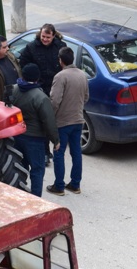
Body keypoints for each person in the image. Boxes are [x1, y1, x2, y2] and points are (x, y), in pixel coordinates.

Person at [11, 63, 58, 197]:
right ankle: (35, 198)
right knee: (37, 170)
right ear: (37, 78)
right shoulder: (41, 97)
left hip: (17, 136)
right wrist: (55, 140)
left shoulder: (13, 90)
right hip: (35, 139)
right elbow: (49, 121)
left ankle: (19, 195)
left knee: (20, 167)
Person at [47, 47, 88, 196]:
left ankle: (59, 186)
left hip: (63, 122)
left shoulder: (60, 76)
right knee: (76, 152)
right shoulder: (82, 75)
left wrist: (51, 117)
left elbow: (55, 101)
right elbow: (86, 97)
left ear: (60, 60)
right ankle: (75, 184)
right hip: (78, 120)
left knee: (59, 152)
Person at [18, 24, 65, 96]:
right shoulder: (31, 47)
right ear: (40, 34)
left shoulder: (61, 46)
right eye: (43, 36)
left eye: (48, 37)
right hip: (38, 87)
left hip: (56, 85)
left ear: (53, 36)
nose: (45, 39)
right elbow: (24, 64)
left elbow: (65, 64)